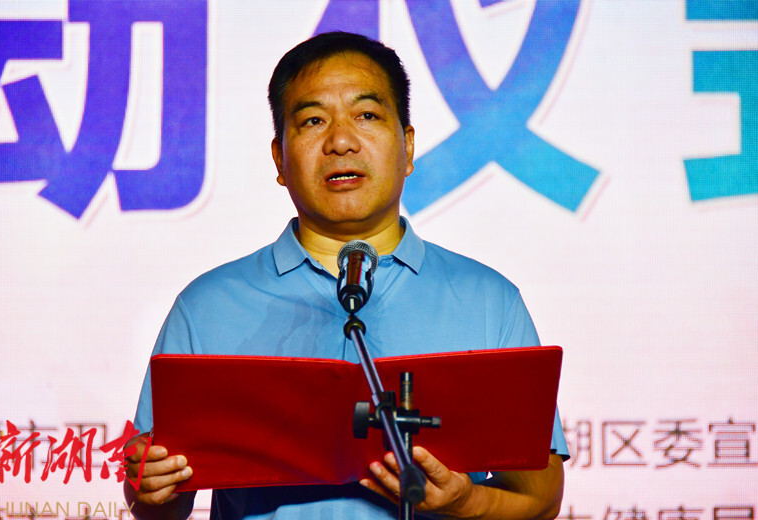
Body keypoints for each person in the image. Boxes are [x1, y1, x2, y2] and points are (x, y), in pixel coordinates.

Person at [124, 31, 569, 520]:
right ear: (279, 158)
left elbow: (541, 494)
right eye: (313, 121)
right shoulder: (208, 306)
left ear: (408, 147)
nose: (340, 141)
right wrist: (152, 489)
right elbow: (157, 500)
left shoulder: (488, 301)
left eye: (367, 116)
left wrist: (466, 501)